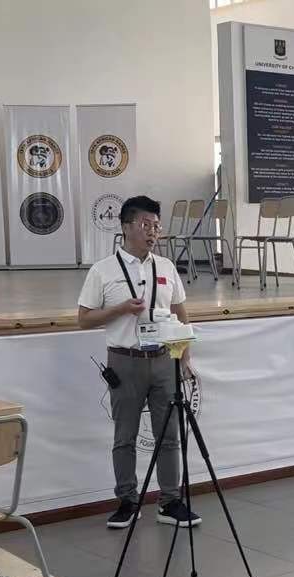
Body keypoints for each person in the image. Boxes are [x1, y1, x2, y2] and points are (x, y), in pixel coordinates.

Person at [77, 195, 201, 530]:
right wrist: (120, 309)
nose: (153, 232)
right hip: (124, 362)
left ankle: (170, 501)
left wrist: (185, 355)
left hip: (163, 359)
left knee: (169, 435)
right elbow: (84, 319)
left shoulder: (166, 267)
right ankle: (127, 501)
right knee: (125, 436)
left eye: (157, 226)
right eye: (146, 225)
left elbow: (180, 312)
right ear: (126, 227)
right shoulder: (103, 270)